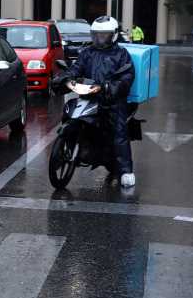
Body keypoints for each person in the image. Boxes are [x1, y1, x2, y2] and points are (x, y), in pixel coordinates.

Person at [58, 16, 136, 187]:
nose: (100, 38)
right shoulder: (87, 52)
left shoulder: (121, 54)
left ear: (114, 35)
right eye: (97, 35)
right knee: (72, 115)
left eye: (105, 35)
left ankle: (126, 171)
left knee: (119, 132)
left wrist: (111, 88)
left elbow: (127, 76)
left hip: (112, 100)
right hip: (88, 95)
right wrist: (65, 77)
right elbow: (76, 68)